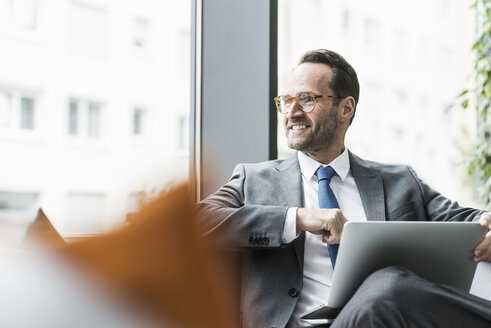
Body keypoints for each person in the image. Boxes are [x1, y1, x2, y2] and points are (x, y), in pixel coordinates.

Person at [196, 49, 491, 328]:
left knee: (388, 287)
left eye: (307, 99)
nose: (292, 112)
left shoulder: (400, 181)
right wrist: (296, 217)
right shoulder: (254, 179)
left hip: (382, 317)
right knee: (387, 285)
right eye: (286, 101)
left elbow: (470, 220)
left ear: (345, 108)